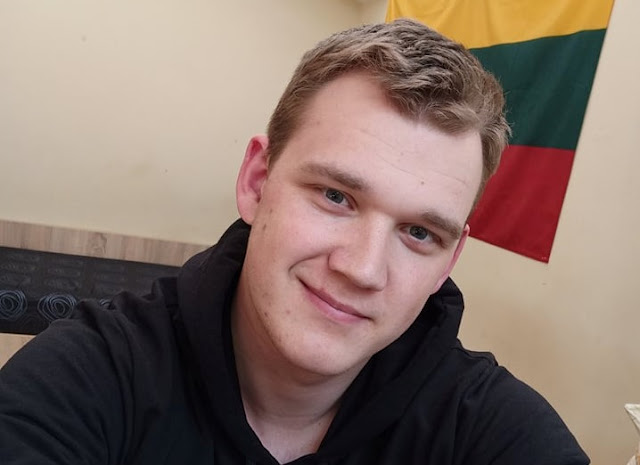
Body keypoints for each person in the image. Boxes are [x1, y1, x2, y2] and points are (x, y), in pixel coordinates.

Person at [0, 19, 588, 465]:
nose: (363, 268)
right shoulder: (87, 379)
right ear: (257, 183)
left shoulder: (488, 430)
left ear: (448, 262)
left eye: (418, 233)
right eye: (336, 196)